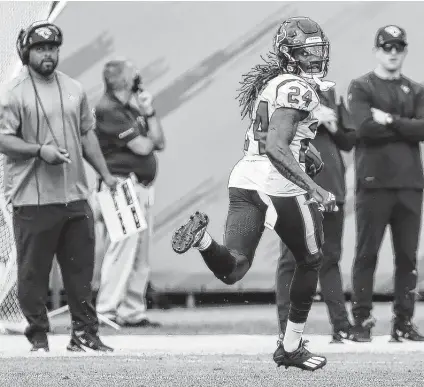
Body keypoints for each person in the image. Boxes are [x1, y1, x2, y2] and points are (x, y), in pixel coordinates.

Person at [171, 17, 338, 371]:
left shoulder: (274, 84)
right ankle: (290, 346)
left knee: (233, 269)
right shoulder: (298, 88)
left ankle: (202, 241)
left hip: (245, 175)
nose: (315, 57)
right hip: (279, 184)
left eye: (316, 50)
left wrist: (304, 150)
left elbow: (267, 138)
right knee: (310, 259)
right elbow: (277, 148)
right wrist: (315, 188)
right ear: (290, 55)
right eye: (307, 52)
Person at [0, 21, 117, 352]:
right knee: (32, 274)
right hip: (32, 199)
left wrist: (106, 175)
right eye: (40, 49)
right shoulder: (12, 93)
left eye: (52, 48)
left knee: (81, 271)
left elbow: (86, 134)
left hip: (76, 195)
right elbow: (3, 140)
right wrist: (40, 151)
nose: (48, 55)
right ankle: (38, 335)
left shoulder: (74, 88)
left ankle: (84, 334)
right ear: (26, 52)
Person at [348, 25, 424, 342]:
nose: (392, 52)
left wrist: (390, 120)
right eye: (386, 47)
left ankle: (403, 321)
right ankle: (362, 320)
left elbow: (422, 130)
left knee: (407, 256)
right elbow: (364, 128)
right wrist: (404, 126)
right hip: (374, 182)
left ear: (405, 51)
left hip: (409, 185)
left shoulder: (416, 89)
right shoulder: (362, 86)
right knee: (367, 253)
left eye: (398, 47)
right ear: (377, 50)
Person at [276, 87, 357, 343]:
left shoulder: (331, 92)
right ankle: (287, 332)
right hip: (296, 185)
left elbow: (348, 139)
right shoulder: (282, 89)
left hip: (331, 183)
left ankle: (341, 326)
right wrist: (312, 117)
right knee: (291, 259)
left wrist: (332, 125)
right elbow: (271, 132)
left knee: (330, 258)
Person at [94, 59, 165, 327]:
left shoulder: (129, 110)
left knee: (140, 255)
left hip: (141, 187)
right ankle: (106, 309)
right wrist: (148, 138)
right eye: (132, 72)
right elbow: (143, 147)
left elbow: (159, 142)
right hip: (119, 185)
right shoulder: (108, 109)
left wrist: (150, 112)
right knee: (122, 248)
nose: (138, 75)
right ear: (122, 80)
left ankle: (131, 311)